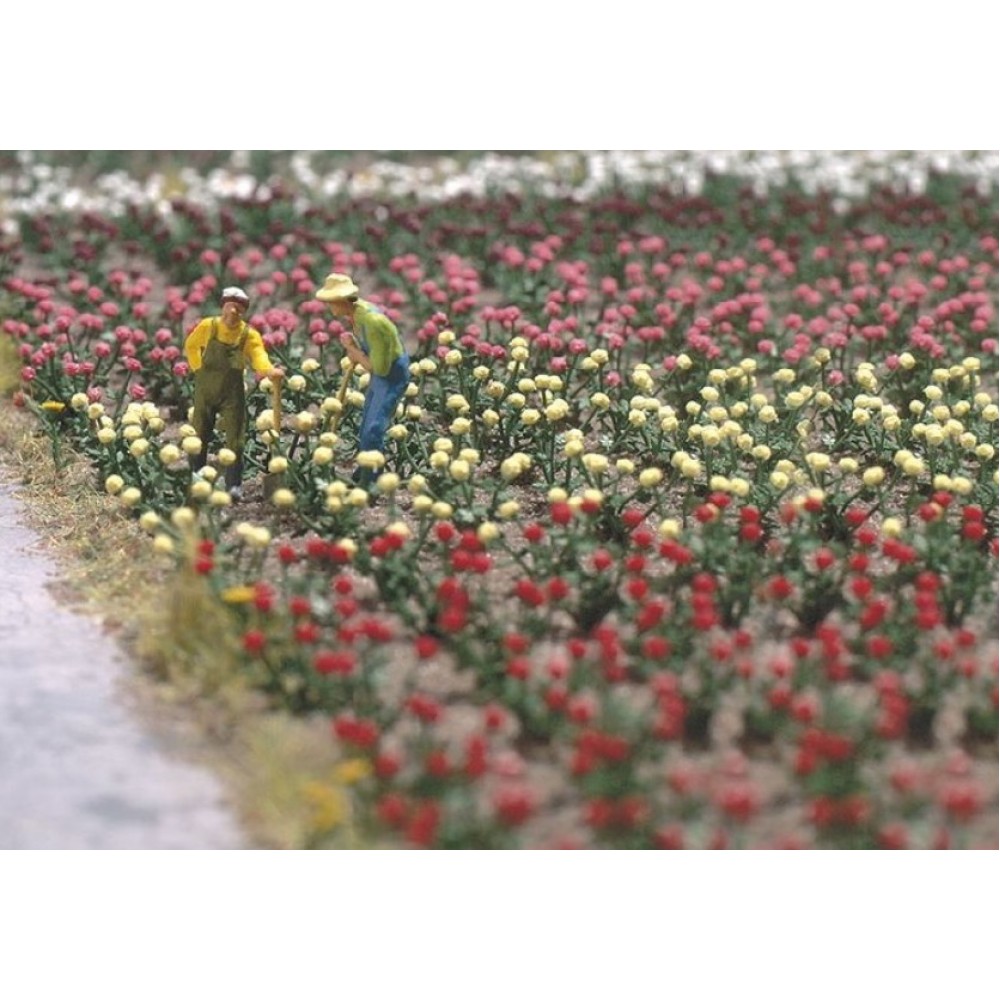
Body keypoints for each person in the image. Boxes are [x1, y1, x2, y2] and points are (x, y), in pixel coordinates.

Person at [184, 286, 284, 500]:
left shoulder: (248, 334)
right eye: (230, 306)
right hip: (205, 389)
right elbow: (191, 345)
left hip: (232, 394)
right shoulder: (208, 326)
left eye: (238, 308)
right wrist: (197, 368)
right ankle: (196, 478)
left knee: (235, 438)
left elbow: (258, 355)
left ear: (243, 311)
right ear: (223, 307)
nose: (233, 312)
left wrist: (268, 370)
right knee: (199, 433)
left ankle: (234, 484)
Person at [315, 273, 410, 486]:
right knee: (366, 424)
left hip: (391, 376)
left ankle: (373, 480)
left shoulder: (372, 322)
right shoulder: (357, 316)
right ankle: (366, 468)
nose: (329, 307)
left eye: (331, 301)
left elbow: (378, 368)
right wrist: (356, 349)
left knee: (373, 429)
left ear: (342, 299)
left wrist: (353, 350)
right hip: (381, 376)